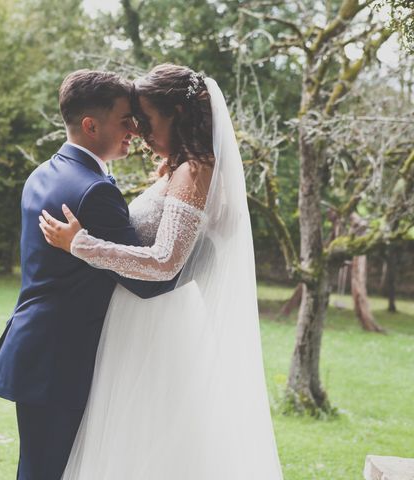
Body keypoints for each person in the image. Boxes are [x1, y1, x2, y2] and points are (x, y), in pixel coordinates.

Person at [40, 64, 284, 479]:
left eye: (147, 120)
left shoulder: (194, 171)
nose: (140, 132)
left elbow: (165, 261)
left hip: (154, 324)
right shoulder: (183, 168)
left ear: (177, 115)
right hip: (141, 319)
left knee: (147, 444)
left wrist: (82, 245)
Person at [0, 69, 182, 480]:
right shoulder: (95, 190)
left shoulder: (46, 172)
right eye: (126, 119)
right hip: (63, 359)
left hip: (38, 348)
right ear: (91, 125)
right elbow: (149, 280)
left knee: (40, 470)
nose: (135, 129)